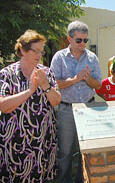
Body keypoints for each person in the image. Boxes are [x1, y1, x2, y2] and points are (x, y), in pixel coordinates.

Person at [0, 30, 61, 182]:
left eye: (41, 51)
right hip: (15, 141)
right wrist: (30, 91)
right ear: (22, 49)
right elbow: (3, 106)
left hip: (42, 140)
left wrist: (45, 85)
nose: (39, 55)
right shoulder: (6, 74)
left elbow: (56, 101)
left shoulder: (46, 72)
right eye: (36, 51)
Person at [50, 20, 102, 183]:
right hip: (67, 110)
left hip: (88, 108)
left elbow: (98, 84)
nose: (83, 44)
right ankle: (64, 180)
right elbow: (53, 84)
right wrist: (74, 79)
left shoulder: (92, 58)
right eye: (79, 40)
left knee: (85, 151)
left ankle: (82, 179)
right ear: (69, 39)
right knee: (65, 151)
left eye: (85, 40)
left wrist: (87, 79)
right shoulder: (59, 57)